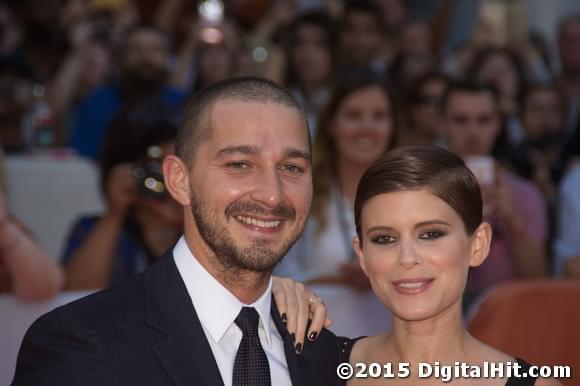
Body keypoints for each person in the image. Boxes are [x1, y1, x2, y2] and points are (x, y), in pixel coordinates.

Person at [13, 77, 339, 386]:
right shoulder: (81, 345)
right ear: (179, 181)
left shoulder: (326, 354)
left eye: (291, 168)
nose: (272, 195)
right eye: (239, 164)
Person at [341, 145, 559, 386]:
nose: (406, 257)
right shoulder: (318, 365)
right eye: (384, 239)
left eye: (431, 234)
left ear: (478, 245)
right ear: (362, 255)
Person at [276, 75, 396, 289]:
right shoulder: (301, 193)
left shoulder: (412, 197)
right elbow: (280, 280)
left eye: (379, 116)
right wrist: (339, 278)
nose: (367, 127)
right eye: (353, 116)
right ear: (331, 125)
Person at [440, 81, 547, 300]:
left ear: (498, 124)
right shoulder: (420, 191)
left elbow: (539, 279)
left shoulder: (525, 193)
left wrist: (511, 218)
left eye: (484, 120)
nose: (473, 131)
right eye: (461, 120)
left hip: (509, 319)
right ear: (442, 123)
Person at [62, 116, 182, 289]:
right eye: (155, 168)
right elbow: (77, 292)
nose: (165, 178)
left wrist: (184, 217)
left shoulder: (203, 229)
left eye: (177, 167)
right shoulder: (94, 228)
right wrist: (114, 213)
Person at [69, 24, 187, 159]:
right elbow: (83, 156)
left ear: (167, 58)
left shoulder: (183, 104)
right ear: (121, 58)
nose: (145, 57)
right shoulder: (98, 101)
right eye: (136, 50)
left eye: (155, 50)